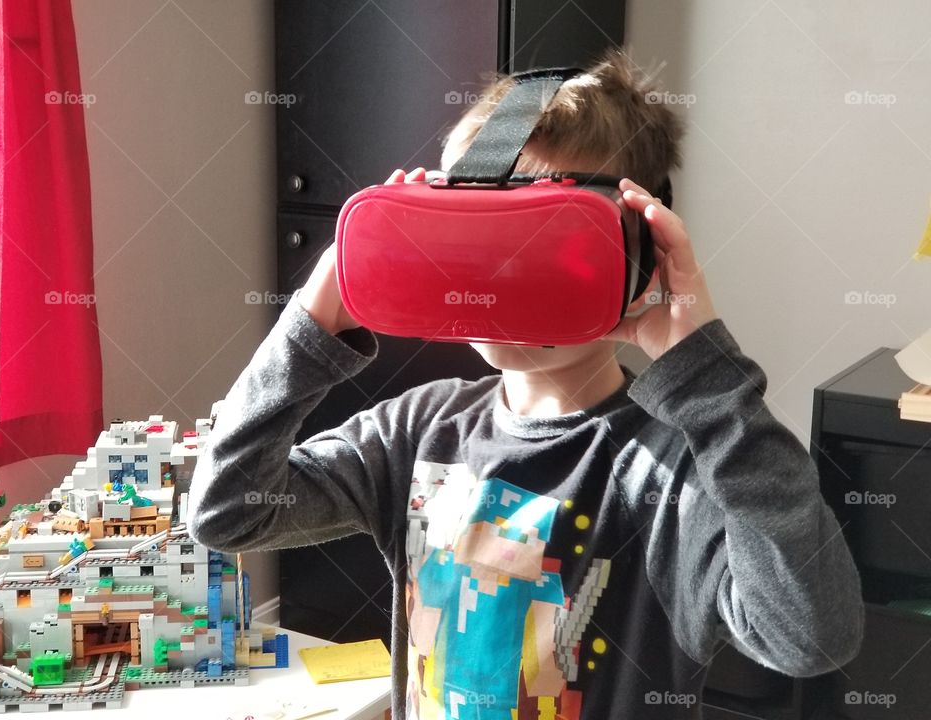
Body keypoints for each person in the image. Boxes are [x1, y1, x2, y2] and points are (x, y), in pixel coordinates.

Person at [187, 50, 863, 720]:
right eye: (472, 234)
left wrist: (707, 379)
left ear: (638, 256)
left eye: (544, 242)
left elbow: (811, 637)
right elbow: (229, 511)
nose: (495, 281)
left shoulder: (670, 474)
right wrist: (319, 309)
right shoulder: (416, 432)